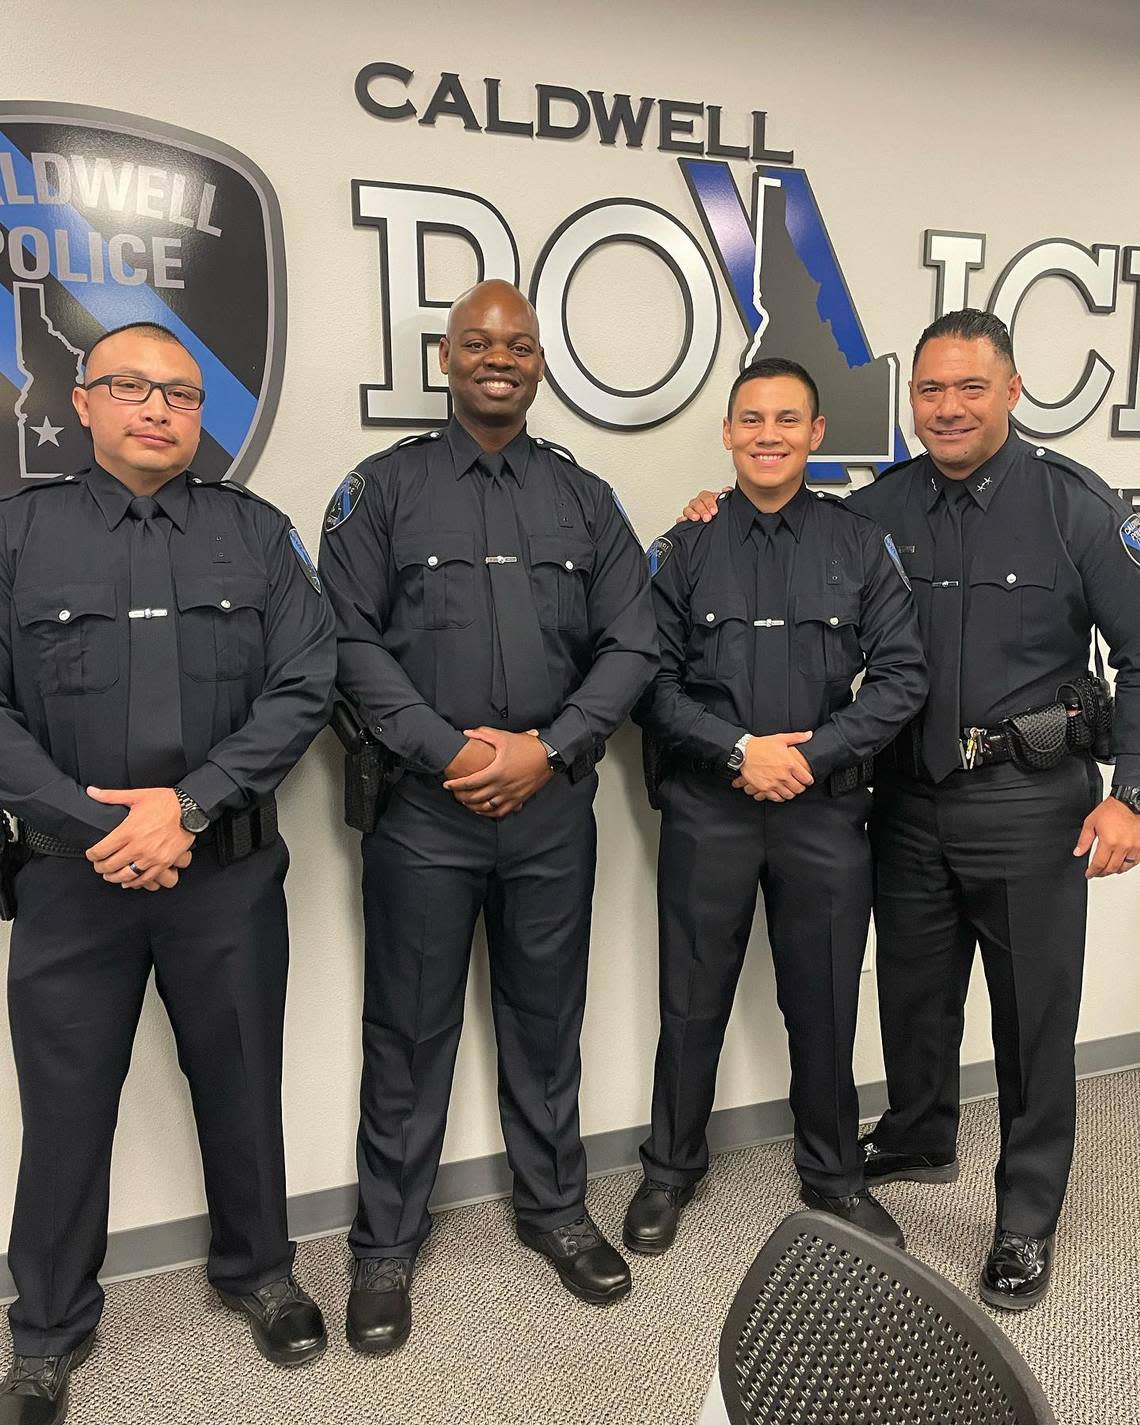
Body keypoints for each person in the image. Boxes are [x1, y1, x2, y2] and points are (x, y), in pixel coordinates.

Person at [678, 310, 1140, 1308]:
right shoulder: (877, 510)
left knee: (1032, 1024)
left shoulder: (1075, 509)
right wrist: (718, 510)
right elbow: (788, 526)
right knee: (913, 1000)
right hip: (907, 802)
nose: (949, 407)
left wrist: (1131, 797)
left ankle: (1025, 1214)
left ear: (1013, 392)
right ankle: (924, 1134)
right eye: (930, 390)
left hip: (1030, 806)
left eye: (970, 388)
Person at [0, 322, 336, 1424]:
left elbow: (305, 682)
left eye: (183, 394)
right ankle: (46, 1329)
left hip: (226, 878)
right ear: (84, 403)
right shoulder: (19, 536)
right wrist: (97, 823)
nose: (158, 409)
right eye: (133, 388)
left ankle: (259, 1273)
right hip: (70, 881)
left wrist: (187, 807)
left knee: (241, 1087)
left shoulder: (256, 535)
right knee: (64, 1111)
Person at [319, 279, 658, 1353]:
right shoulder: (381, 490)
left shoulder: (586, 498)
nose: (497, 358)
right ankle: (384, 1244)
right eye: (478, 342)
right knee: (407, 1033)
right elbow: (346, 644)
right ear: (446, 356)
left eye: (516, 344)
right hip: (428, 811)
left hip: (555, 807)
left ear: (540, 362)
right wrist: (455, 750)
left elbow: (634, 645)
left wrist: (546, 750)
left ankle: (556, 1211)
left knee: (546, 1023)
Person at [623, 358, 926, 1258]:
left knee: (825, 999)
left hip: (823, 811)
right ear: (726, 432)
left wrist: (812, 755)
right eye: (751, 419)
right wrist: (737, 752)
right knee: (691, 995)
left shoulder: (858, 545)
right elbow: (648, 680)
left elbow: (904, 673)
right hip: (710, 808)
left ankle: (834, 1175)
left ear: (817, 434)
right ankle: (670, 1170)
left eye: (787, 419)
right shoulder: (682, 547)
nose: (768, 434)